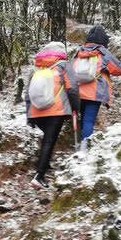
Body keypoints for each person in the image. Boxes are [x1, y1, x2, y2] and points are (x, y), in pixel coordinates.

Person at [25, 41, 80, 189]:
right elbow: (72, 88)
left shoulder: (38, 67)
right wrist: (76, 108)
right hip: (56, 109)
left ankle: (45, 162)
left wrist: (29, 114)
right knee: (49, 140)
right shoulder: (64, 65)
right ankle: (39, 175)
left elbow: (28, 93)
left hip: (36, 110)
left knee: (47, 139)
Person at [73, 25, 121, 150]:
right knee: (89, 121)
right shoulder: (103, 52)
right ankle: (85, 149)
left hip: (78, 91)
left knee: (83, 119)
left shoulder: (80, 51)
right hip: (94, 92)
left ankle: (79, 145)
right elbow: (118, 69)